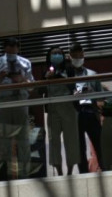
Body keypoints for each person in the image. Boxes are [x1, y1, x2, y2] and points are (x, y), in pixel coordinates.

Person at [0, 38, 34, 179]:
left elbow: (31, 87)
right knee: (4, 141)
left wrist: (22, 80)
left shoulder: (26, 63)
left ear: (18, 48)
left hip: (20, 102)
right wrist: (0, 79)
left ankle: (24, 175)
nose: (12, 48)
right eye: (9, 46)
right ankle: (4, 176)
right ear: (5, 48)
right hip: (4, 103)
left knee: (23, 140)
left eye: (15, 46)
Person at [42, 46, 79, 176]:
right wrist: (47, 79)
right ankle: (58, 171)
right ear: (49, 56)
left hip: (68, 107)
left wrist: (60, 78)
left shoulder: (69, 69)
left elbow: (73, 86)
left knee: (71, 140)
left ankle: (70, 171)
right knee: (53, 141)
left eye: (59, 53)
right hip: (53, 109)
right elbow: (42, 91)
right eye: (54, 53)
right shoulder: (45, 71)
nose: (57, 55)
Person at [70, 42, 104, 173]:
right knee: (79, 147)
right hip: (75, 113)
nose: (78, 58)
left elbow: (101, 97)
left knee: (99, 143)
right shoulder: (68, 76)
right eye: (75, 55)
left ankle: (103, 167)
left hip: (90, 111)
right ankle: (83, 172)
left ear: (84, 55)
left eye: (80, 55)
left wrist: (92, 93)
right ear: (70, 57)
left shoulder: (92, 74)